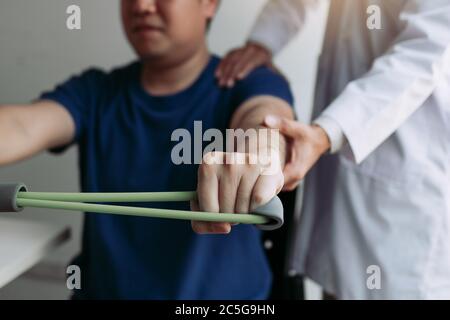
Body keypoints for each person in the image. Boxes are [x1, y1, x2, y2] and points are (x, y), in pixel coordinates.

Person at [0, 0, 296, 299]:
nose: (141, 6)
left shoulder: (251, 82)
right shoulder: (95, 92)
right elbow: (21, 127)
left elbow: (265, 121)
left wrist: (260, 152)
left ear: (208, 4)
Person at [216, 0, 450, 299]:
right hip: (341, 166)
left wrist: (329, 131)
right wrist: (263, 41)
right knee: (339, 283)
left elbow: (425, 50)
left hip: (405, 176)